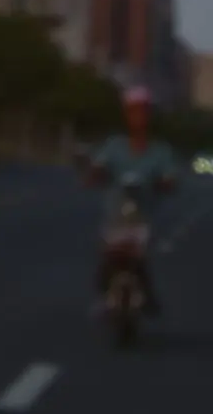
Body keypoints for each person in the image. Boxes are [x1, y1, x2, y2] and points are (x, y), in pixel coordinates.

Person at [87, 85, 178, 315]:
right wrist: (96, 175)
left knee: (139, 259)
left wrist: (164, 183)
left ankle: (147, 296)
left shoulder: (160, 151)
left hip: (144, 219)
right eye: (134, 111)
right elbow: (98, 167)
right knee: (109, 258)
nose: (139, 116)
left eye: (143, 111)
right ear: (126, 115)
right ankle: (104, 296)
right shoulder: (114, 146)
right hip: (115, 216)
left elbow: (170, 179)